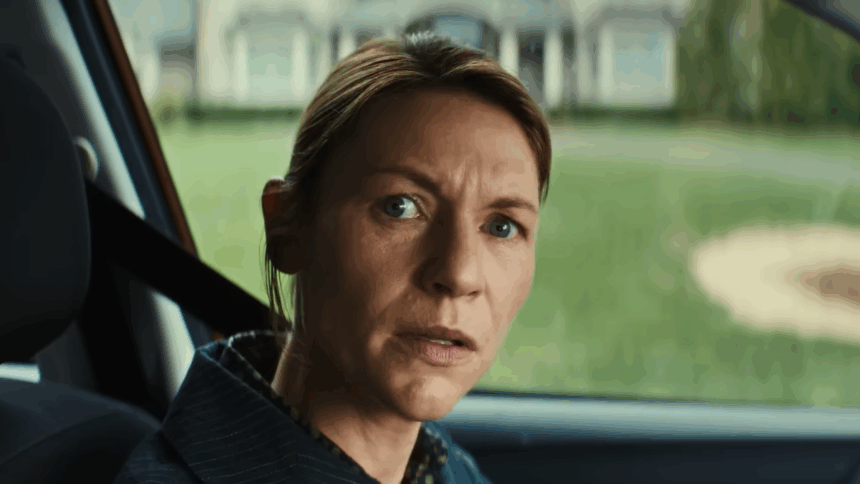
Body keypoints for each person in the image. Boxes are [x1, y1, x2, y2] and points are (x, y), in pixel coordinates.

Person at [113, 31, 552, 484]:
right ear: (286, 228)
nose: (459, 274)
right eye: (399, 206)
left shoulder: (447, 469)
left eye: (502, 227)